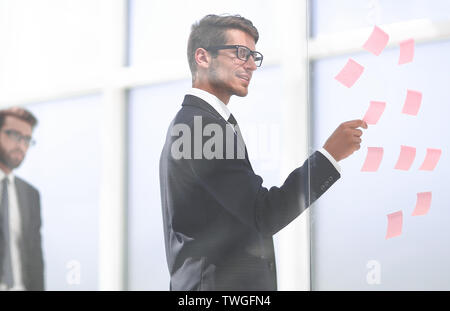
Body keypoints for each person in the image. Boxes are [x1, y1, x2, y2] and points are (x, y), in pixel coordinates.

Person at [159, 14, 367, 290]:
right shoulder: (200, 128)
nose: (250, 65)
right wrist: (329, 157)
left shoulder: (198, 124)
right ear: (202, 57)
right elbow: (265, 214)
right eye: (240, 53)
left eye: (253, 56)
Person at [0, 107, 44, 291]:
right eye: (14, 135)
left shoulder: (30, 194)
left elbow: (35, 257)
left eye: (27, 139)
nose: (21, 145)